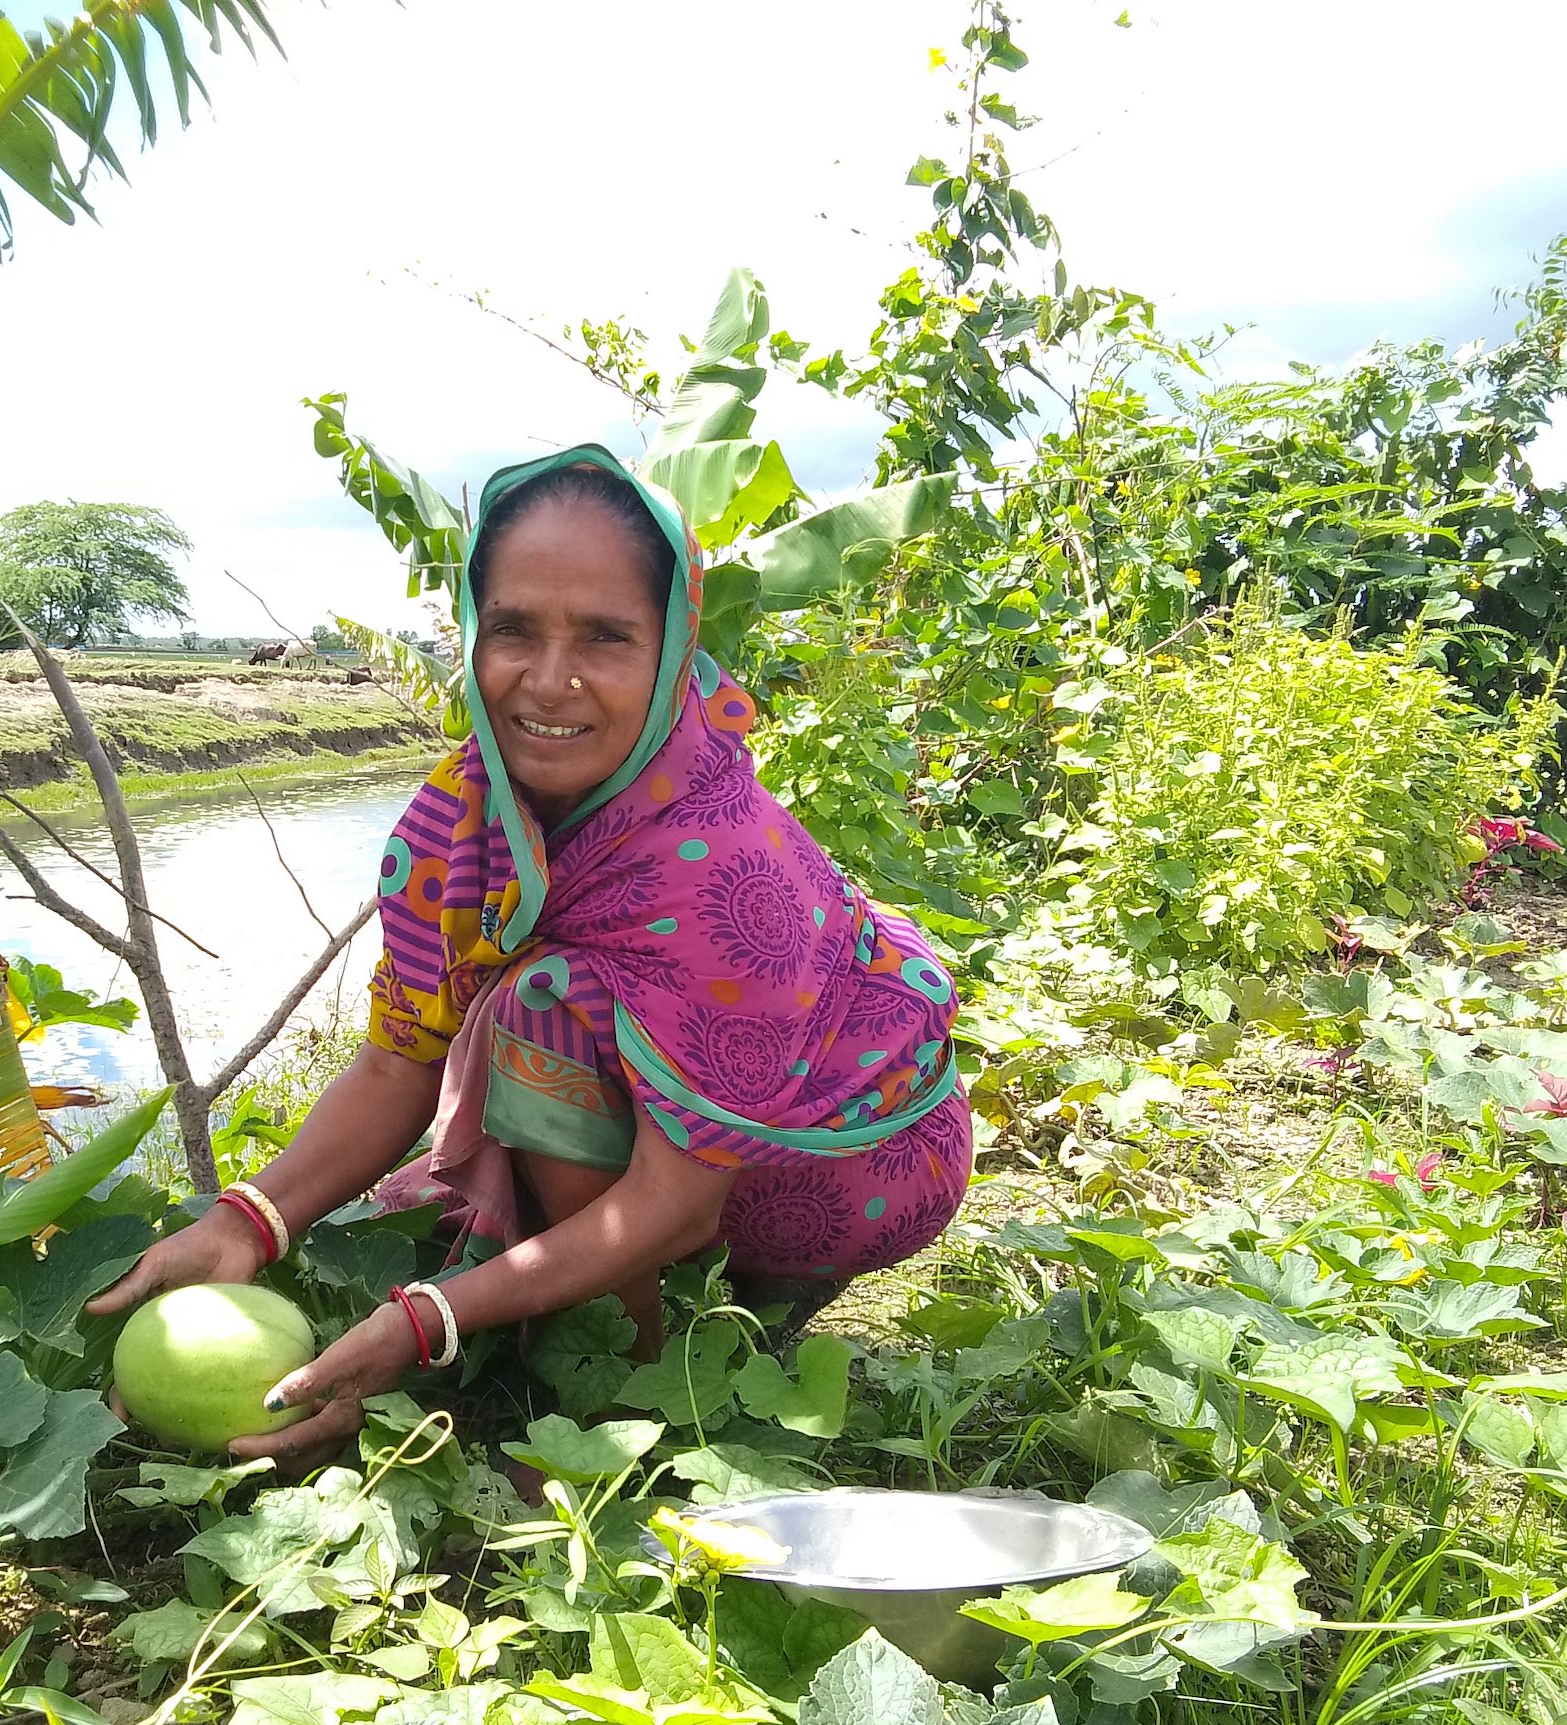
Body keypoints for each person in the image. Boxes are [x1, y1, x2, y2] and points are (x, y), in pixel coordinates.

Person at [89, 448, 971, 1462]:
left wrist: (428, 1321)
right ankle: (574, 1327)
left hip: (841, 1167)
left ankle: (632, 1383)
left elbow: (672, 1207)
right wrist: (249, 1221)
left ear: (672, 650)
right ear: (471, 634)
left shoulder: (731, 868)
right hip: (655, 1158)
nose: (550, 681)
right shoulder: (452, 829)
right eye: (513, 630)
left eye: (604, 637)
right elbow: (397, 1061)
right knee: (523, 1031)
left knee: (535, 1007)